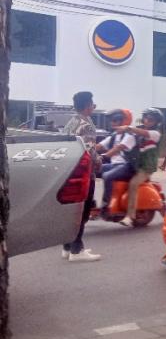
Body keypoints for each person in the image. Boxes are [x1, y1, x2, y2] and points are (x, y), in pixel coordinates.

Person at [61, 91, 102, 262]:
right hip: (84, 174)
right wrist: (99, 161)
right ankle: (77, 251)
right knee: (82, 212)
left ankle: (67, 247)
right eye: (92, 104)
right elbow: (90, 151)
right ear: (87, 106)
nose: (93, 106)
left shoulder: (71, 122)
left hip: (70, 171)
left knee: (72, 211)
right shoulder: (87, 124)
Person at [116, 108, 164, 227]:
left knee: (133, 183)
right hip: (136, 165)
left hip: (146, 167)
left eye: (151, 119)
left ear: (156, 122)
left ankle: (129, 216)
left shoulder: (155, 134)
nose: (147, 120)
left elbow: (143, 133)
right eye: (145, 117)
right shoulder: (139, 132)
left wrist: (128, 127)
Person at [96, 109, 137, 212]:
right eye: (112, 120)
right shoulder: (114, 135)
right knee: (91, 171)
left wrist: (103, 156)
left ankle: (107, 205)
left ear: (124, 121)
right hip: (114, 165)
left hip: (127, 166)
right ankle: (89, 203)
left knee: (107, 176)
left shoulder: (130, 136)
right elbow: (99, 146)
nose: (112, 123)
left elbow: (118, 148)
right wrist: (86, 149)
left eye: (115, 120)